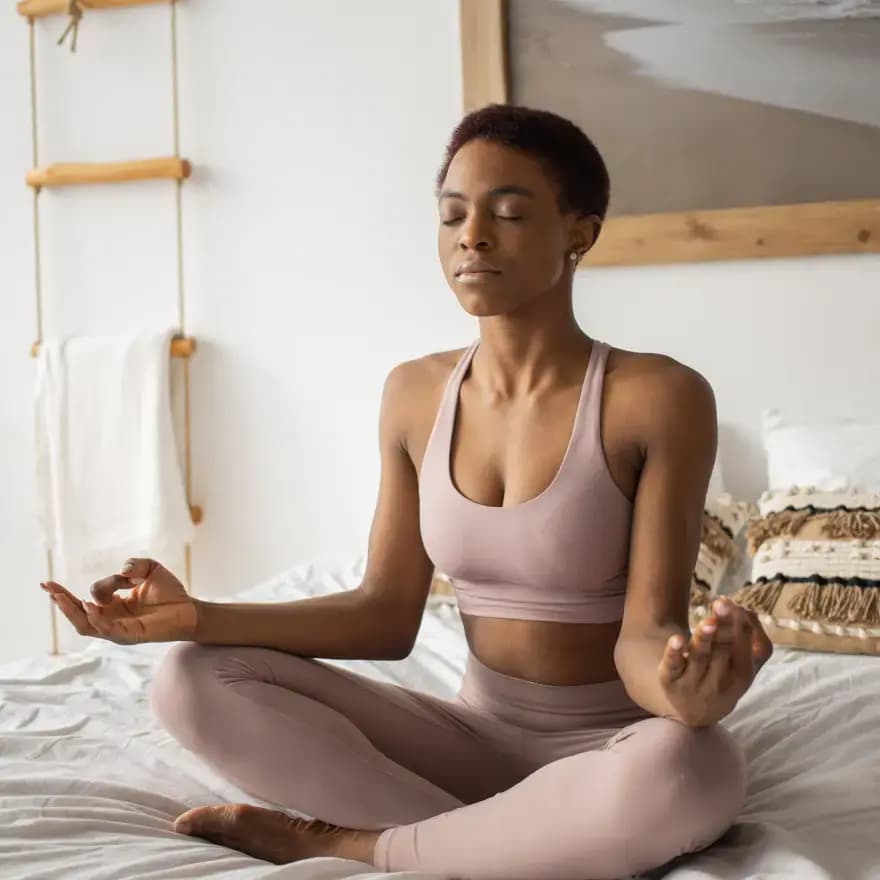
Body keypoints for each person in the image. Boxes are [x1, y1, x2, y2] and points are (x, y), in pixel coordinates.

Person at [41, 103, 774, 880]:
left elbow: (645, 632)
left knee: (689, 768)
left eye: (510, 212)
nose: (472, 236)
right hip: (468, 748)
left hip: (612, 751)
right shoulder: (414, 394)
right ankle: (511, 844)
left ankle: (348, 844)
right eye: (452, 214)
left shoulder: (657, 396)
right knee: (190, 677)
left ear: (579, 233)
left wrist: (683, 694)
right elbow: (385, 614)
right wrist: (192, 618)